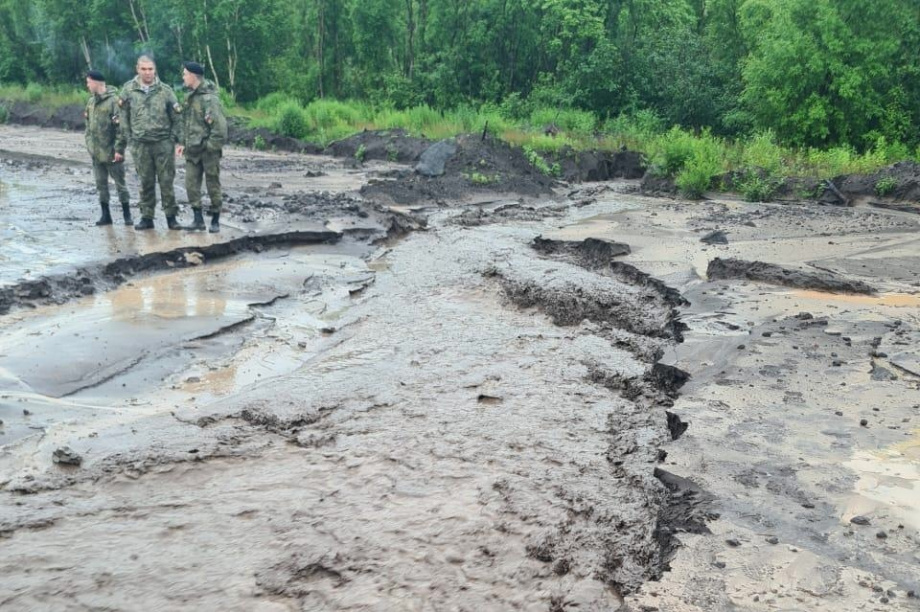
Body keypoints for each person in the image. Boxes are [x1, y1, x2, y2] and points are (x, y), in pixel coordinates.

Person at [117, 54, 183, 230]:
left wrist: (176, 140)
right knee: (145, 181)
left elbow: (176, 117)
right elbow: (122, 115)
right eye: (144, 69)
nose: (147, 73)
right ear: (137, 69)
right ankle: (147, 217)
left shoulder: (166, 90)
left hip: (163, 144)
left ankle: (171, 217)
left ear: (155, 70)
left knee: (166, 181)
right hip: (140, 144)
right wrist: (129, 138)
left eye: (150, 69)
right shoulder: (128, 90)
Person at [177, 61, 228, 233]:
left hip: (208, 152)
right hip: (192, 151)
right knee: (191, 184)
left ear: (192, 75)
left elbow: (220, 129)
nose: (183, 77)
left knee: (212, 184)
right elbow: (187, 123)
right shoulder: (189, 98)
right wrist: (183, 143)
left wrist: (209, 147)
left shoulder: (210, 99)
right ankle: (197, 219)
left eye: (184, 74)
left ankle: (215, 220)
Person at [84, 70, 132, 226]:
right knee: (101, 185)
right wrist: (90, 147)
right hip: (96, 153)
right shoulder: (91, 102)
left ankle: (127, 215)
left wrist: (119, 150)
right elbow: (88, 129)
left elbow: (122, 129)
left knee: (120, 185)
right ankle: (106, 216)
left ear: (97, 82)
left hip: (112, 153)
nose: (87, 85)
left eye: (88, 82)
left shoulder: (114, 102)